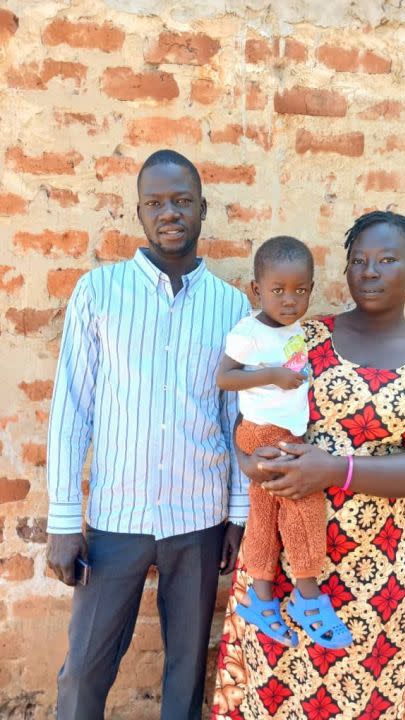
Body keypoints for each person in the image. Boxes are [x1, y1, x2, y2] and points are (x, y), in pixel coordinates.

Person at [212, 210, 405, 719]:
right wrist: (245, 459)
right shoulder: (303, 336)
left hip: (373, 573)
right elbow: (245, 407)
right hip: (281, 564)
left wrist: (336, 470)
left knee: (362, 700)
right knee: (272, 695)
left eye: (387, 260)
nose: (369, 271)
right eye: (358, 261)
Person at [46, 149, 251, 720]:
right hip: (117, 518)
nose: (170, 213)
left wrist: (238, 514)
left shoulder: (232, 305)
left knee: (187, 670)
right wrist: (64, 522)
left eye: (182, 201)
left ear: (202, 210)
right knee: (84, 669)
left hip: (198, 519)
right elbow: (72, 411)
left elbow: (235, 418)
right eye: (156, 203)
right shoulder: (98, 293)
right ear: (138, 213)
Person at [216, 236, 351, 650]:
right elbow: (225, 378)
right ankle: (308, 598)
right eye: (277, 290)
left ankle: (260, 597)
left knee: (265, 514)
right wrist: (272, 375)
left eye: (300, 290)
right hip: (266, 432)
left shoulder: (291, 326)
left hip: (280, 430)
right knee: (303, 502)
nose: (290, 299)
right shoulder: (249, 332)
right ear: (255, 291)